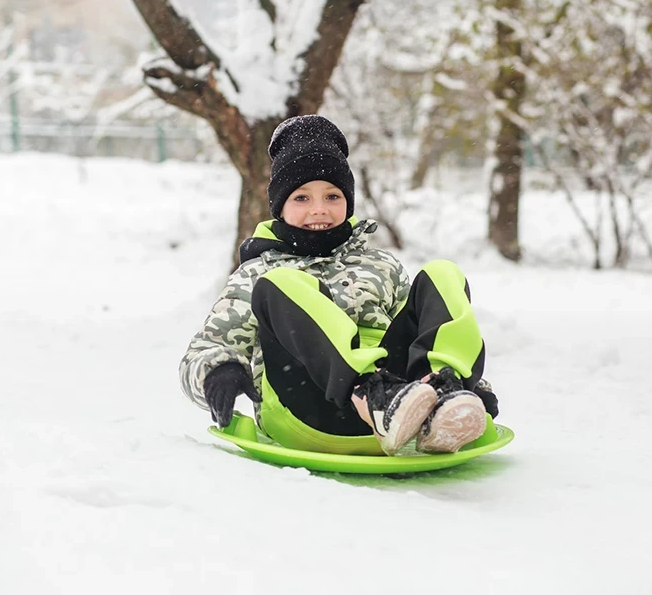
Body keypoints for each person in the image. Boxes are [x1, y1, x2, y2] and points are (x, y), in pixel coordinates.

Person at [179, 115, 499, 456]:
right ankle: (369, 395)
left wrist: (476, 385)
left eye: (332, 196)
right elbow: (202, 351)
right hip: (308, 408)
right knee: (284, 283)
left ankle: (443, 392)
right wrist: (219, 371)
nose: (319, 210)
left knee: (442, 273)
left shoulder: (382, 265)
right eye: (302, 198)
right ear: (280, 206)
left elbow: (423, 333)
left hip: (405, 407)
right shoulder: (259, 273)